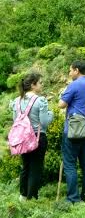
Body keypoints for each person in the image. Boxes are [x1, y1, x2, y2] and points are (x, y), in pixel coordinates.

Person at [58, 60, 85, 203]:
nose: (69, 73)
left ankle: (73, 198)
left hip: (74, 130)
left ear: (77, 70)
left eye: (70, 70)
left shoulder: (74, 85)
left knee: (70, 164)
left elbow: (61, 105)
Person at [10, 71, 54, 200]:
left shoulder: (17, 101)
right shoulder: (40, 101)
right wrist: (51, 114)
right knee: (36, 168)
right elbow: (44, 123)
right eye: (40, 83)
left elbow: (15, 121)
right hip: (37, 138)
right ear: (33, 85)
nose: (42, 85)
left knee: (26, 166)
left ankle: (23, 196)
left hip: (22, 138)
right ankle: (32, 198)